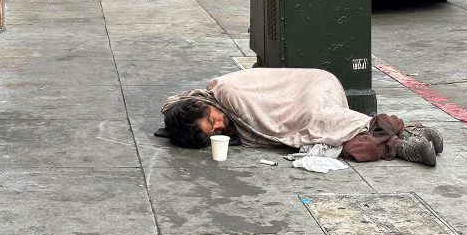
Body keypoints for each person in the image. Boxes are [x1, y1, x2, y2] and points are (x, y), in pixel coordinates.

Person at [161, 67, 443, 166]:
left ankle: (403, 135)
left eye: (213, 120)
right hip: (309, 93)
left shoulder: (228, 93)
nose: (220, 126)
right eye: (214, 132)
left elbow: (274, 127)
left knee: (320, 125)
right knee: (350, 147)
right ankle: (407, 141)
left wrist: (298, 139)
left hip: (309, 92)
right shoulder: (202, 105)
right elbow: (170, 109)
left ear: (202, 103)